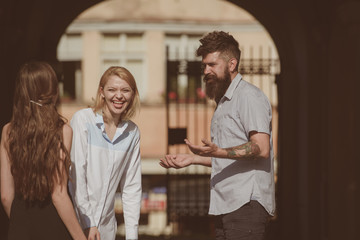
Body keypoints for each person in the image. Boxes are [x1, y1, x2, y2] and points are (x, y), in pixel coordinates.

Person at [160, 31, 275, 240]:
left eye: (212, 65)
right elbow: (229, 157)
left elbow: (261, 147)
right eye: (204, 65)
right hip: (226, 205)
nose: (206, 71)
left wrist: (219, 151)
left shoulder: (248, 97)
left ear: (232, 64)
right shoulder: (223, 102)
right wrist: (193, 159)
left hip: (246, 204)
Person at [0, 61, 86, 240]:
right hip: (54, 229)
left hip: (19, 230)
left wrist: (20, 223)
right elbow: (59, 194)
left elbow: (6, 196)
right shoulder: (62, 131)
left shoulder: (8, 131)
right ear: (52, 90)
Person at [68, 66, 142, 240]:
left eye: (125, 90)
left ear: (132, 94)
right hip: (77, 224)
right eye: (112, 89)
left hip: (107, 230)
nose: (119, 95)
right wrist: (88, 223)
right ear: (102, 92)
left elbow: (131, 187)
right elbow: (77, 174)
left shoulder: (132, 133)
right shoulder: (83, 120)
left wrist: (132, 236)